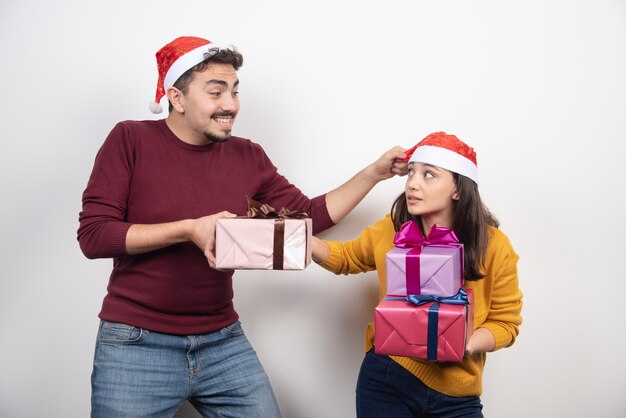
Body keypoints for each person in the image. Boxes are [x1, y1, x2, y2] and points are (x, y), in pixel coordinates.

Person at [77, 36, 407, 418]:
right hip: (136, 342)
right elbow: (95, 235)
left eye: (234, 91)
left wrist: (373, 174)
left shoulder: (247, 155)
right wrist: (188, 229)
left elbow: (306, 216)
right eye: (216, 92)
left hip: (222, 340)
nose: (230, 105)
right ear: (177, 98)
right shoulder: (130, 139)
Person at [312, 132, 523, 417]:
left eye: (429, 175)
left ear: (458, 189)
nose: (413, 184)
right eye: (411, 172)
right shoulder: (393, 228)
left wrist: (466, 342)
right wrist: (301, 238)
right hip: (387, 379)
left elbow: (506, 322)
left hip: (458, 396)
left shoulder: (494, 245)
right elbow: (348, 258)